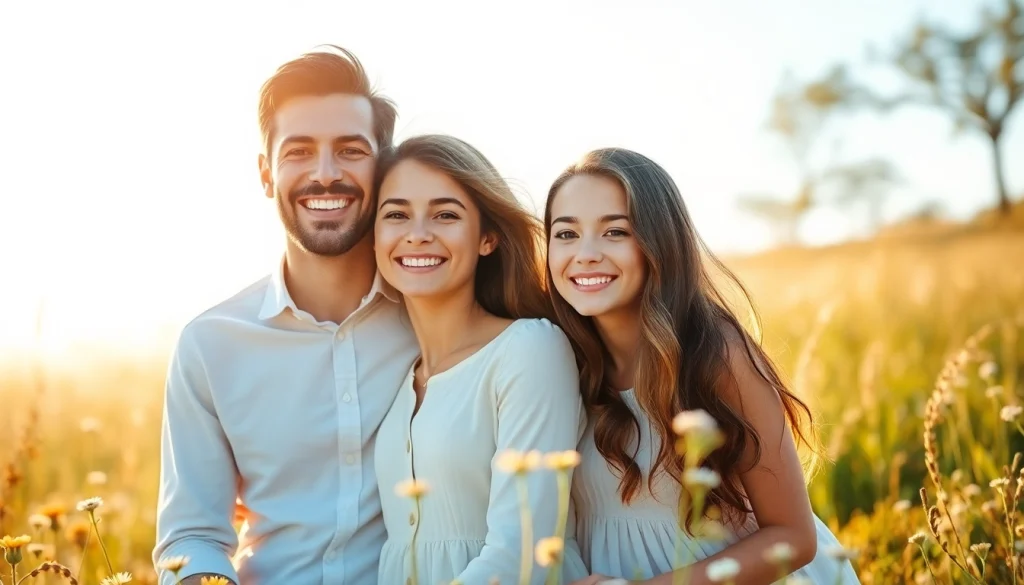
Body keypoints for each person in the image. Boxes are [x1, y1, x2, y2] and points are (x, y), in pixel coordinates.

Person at [152, 46, 420, 585]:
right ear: (266, 173)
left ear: (384, 165)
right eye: (298, 151)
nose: (325, 175)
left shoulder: (436, 318)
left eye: (350, 150)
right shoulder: (210, 346)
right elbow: (193, 535)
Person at [544, 148, 861, 585]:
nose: (586, 254)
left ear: (659, 242)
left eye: (615, 231)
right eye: (565, 235)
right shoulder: (555, 356)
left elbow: (793, 537)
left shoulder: (715, 354)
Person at [371, 134, 590, 585]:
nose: (417, 233)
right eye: (395, 215)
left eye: (445, 215)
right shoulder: (398, 381)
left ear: (487, 237)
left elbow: (521, 553)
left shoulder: (530, 349)